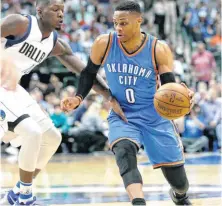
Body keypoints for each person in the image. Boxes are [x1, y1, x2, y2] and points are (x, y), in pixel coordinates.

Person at [61, 1, 195, 205]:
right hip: (123, 115)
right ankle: (138, 202)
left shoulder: (158, 49)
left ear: (138, 21)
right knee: (124, 151)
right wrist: (78, 97)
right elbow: (88, 73)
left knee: (179, 182)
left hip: (155, 118)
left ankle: (179, 195)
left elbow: (169, 87)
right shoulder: (103, 43)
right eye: (115, 23)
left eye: (123, 23)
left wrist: (183, 97)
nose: (118, 28)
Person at [0, 0, 125, 205]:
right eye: (55, 9)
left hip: (13, 89)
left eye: (62, 11)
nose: (60, 14)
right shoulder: (20, 23)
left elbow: (86, 73)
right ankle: (25, 197)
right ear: (40, 11)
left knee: (52, 137)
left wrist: (110, 97)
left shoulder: (54, 44)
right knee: (32, 132)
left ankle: (16, 194)